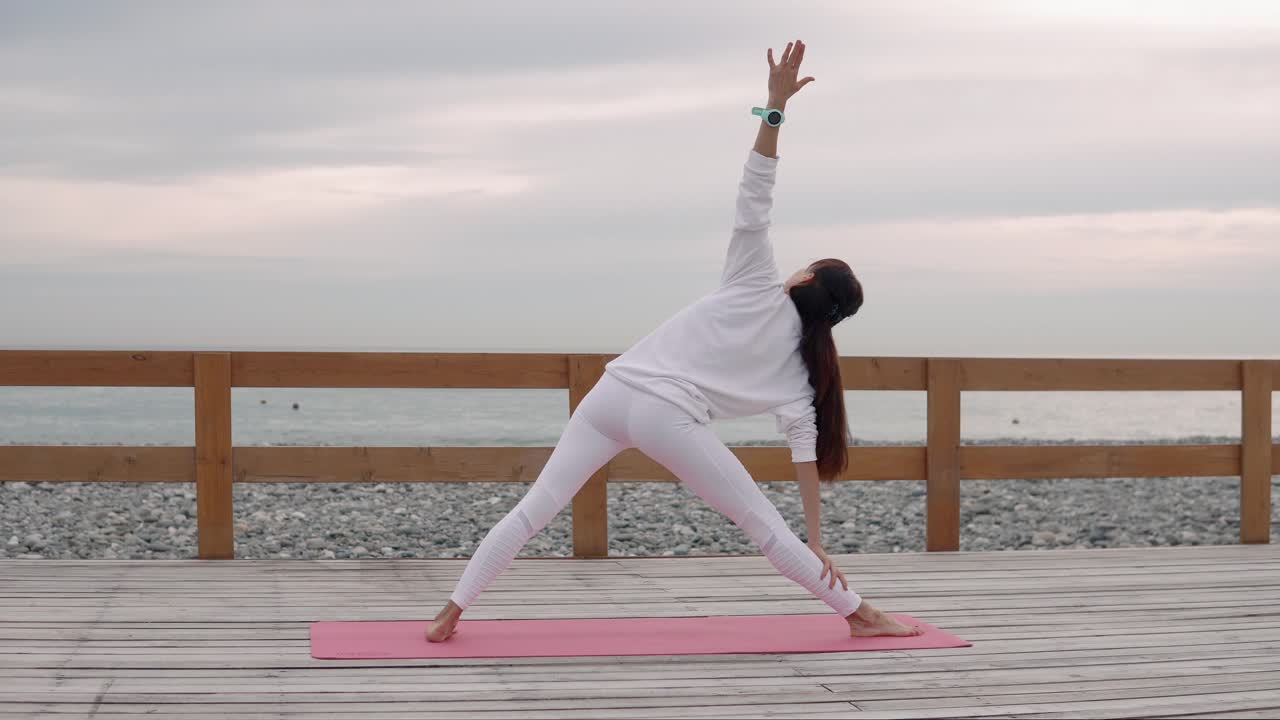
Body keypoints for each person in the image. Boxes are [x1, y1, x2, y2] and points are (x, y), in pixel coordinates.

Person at [427, 39, 923, 642]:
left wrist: (773, 108)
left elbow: (755, 192)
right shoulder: (802, 372)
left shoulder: (753, 282)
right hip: (668, 416)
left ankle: (450, 612)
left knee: (537, 507)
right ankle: (862, 615)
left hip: (610, 395)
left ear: (806, 278)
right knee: (764, 526)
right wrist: (814, 541)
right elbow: (803, 453)